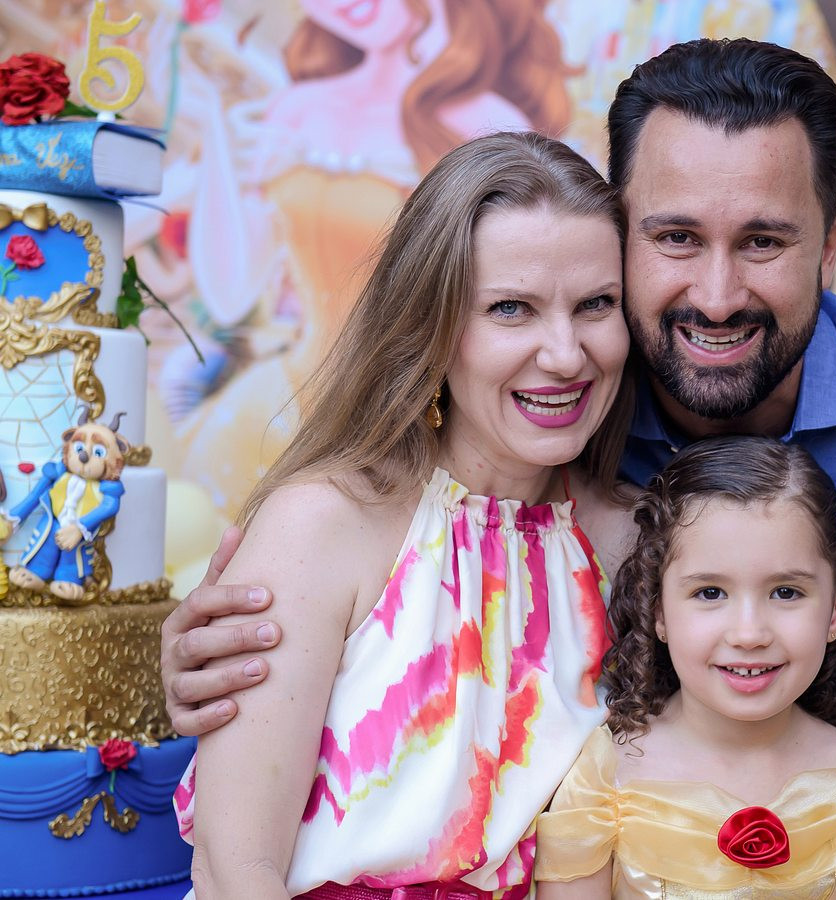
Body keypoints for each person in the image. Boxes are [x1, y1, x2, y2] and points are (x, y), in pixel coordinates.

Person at [161, 38, 836, 899]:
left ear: (831, 246)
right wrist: (221, 664)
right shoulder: (485, 445)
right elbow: (245, 847)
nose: (715, 298)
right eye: (676, 237)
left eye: (763, 241)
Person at [174, 131, 634, 897]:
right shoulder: (321, 526)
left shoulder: (629, 543)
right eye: (511, 308)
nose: (565, 354)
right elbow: (237, 867)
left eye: (596, 305)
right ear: (432, 325)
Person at [171, 0, 571, 519]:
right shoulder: (298, 108)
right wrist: (216, 128)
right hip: (280, 406)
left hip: (415, 430)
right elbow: (230, 294)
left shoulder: (488, 124)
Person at [534, 436, 836, 899]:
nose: (749, 634)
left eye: (785, 592)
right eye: (710, 593)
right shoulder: (602, 783)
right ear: (658, 610)